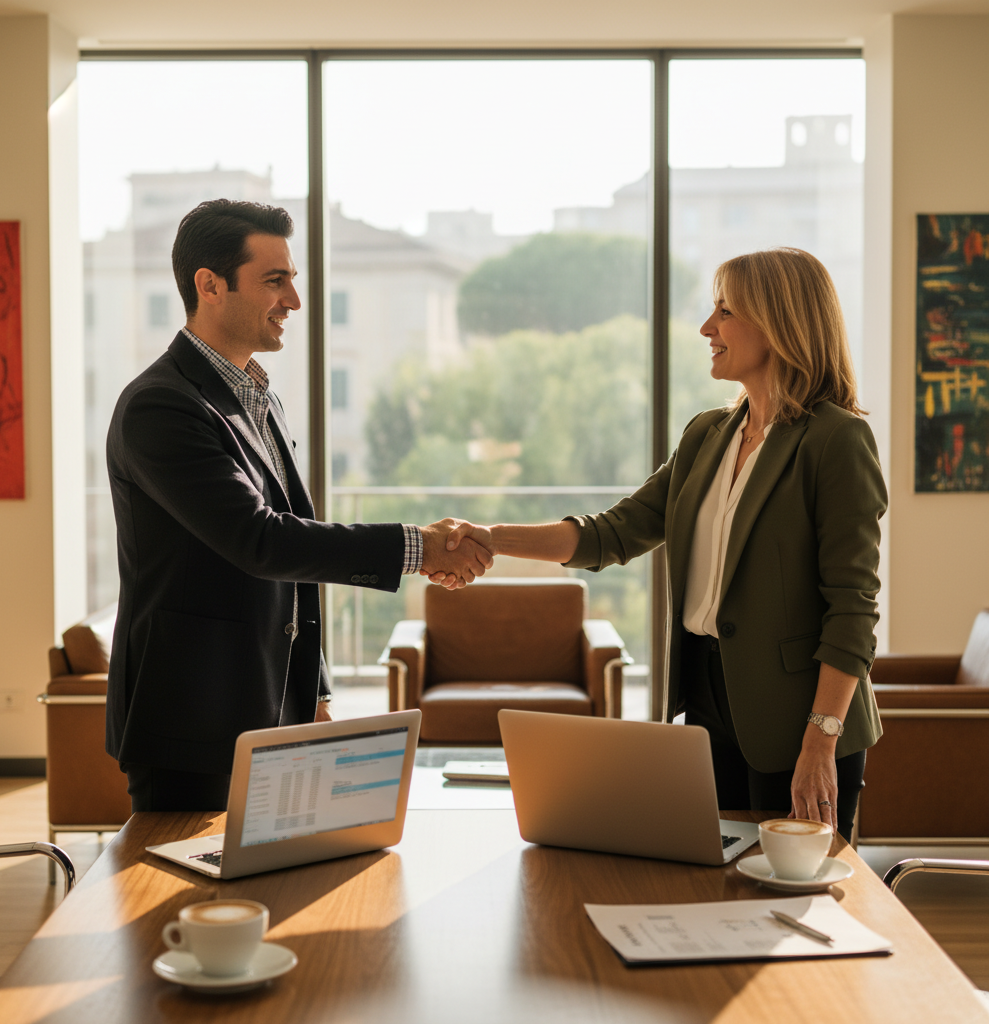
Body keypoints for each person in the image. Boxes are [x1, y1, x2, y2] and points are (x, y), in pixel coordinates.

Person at [432, 247, 886, 840]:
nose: (707, 328)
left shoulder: (836, 440)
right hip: (706, 703)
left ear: (778, 322)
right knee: (714, 884)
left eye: (725, 311)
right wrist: (492, 538)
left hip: (798, 718)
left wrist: (821, 739)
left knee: (796, 908)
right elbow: (612, 533)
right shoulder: (708, 435)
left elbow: (852, 606)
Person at [106, 199, 490, 812]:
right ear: (210, 285)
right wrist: (417, 547)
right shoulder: (161, 408)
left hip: (273, 707)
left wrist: (313, 688)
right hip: (193, 724)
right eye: (274, 280)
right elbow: (263, 542)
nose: (295, 300)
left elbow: (294, 549)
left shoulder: (259, 395)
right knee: (181, 905)